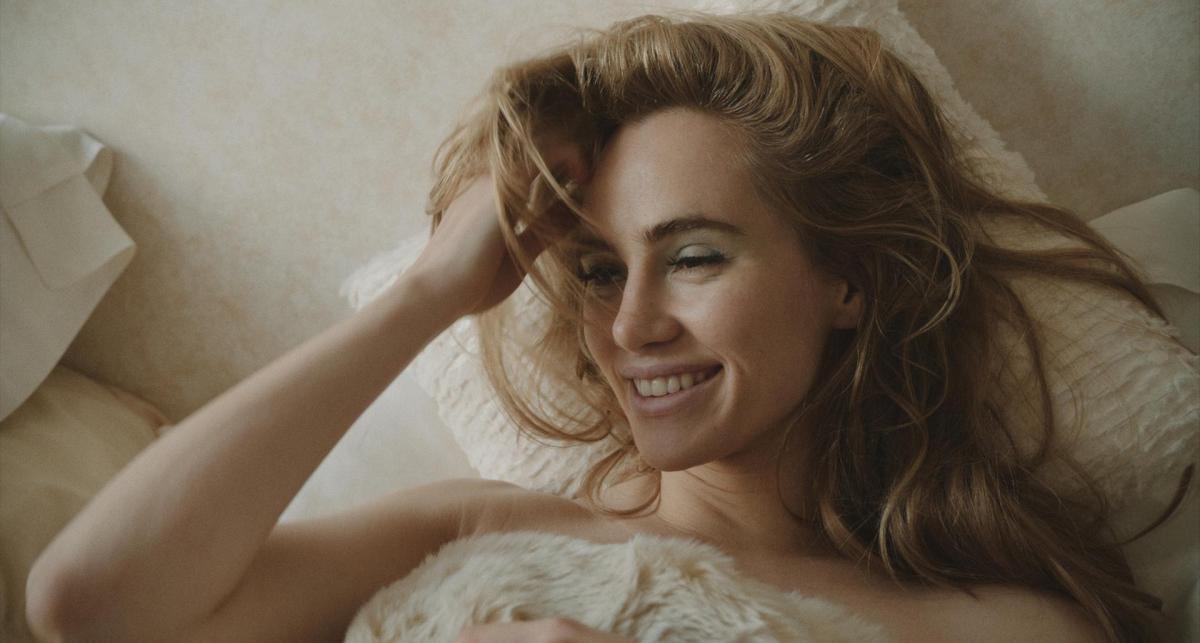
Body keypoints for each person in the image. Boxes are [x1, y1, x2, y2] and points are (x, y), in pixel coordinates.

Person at [26, 12, 1167, 642]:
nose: (630, 323)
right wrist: (430, 293)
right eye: (597, 271)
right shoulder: (470, 525)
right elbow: (91, 607)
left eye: (695, 255)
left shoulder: (1003, 627)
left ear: (849, 278)